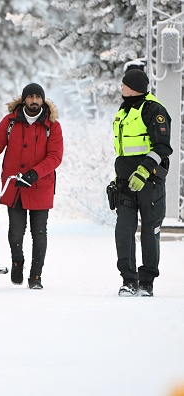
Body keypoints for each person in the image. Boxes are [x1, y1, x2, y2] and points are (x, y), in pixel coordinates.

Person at [0, 83, 63, 290]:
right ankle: (18, 261)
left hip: (40, 186)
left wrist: (35, 173)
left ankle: (36, 276)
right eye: (30, 97)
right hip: (15, 186)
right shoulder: (10, 122)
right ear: (23, 99)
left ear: (43, 100)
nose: (34, 101)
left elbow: (55, 157)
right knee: (16, 232)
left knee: (39, 232)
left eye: (38, 97)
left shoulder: (52, 126)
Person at [111, 69, 172, 297]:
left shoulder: (154, 110)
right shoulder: (125, 110)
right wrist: (119, 175)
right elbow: (124, 151)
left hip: (150, 182)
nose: (121, 88)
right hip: (126, 182)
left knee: (149, 230)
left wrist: (144, 171)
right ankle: (129, 280)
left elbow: (162, 147)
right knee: (124, 230)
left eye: (124, 84)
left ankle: (147, 281)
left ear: (133, 86)